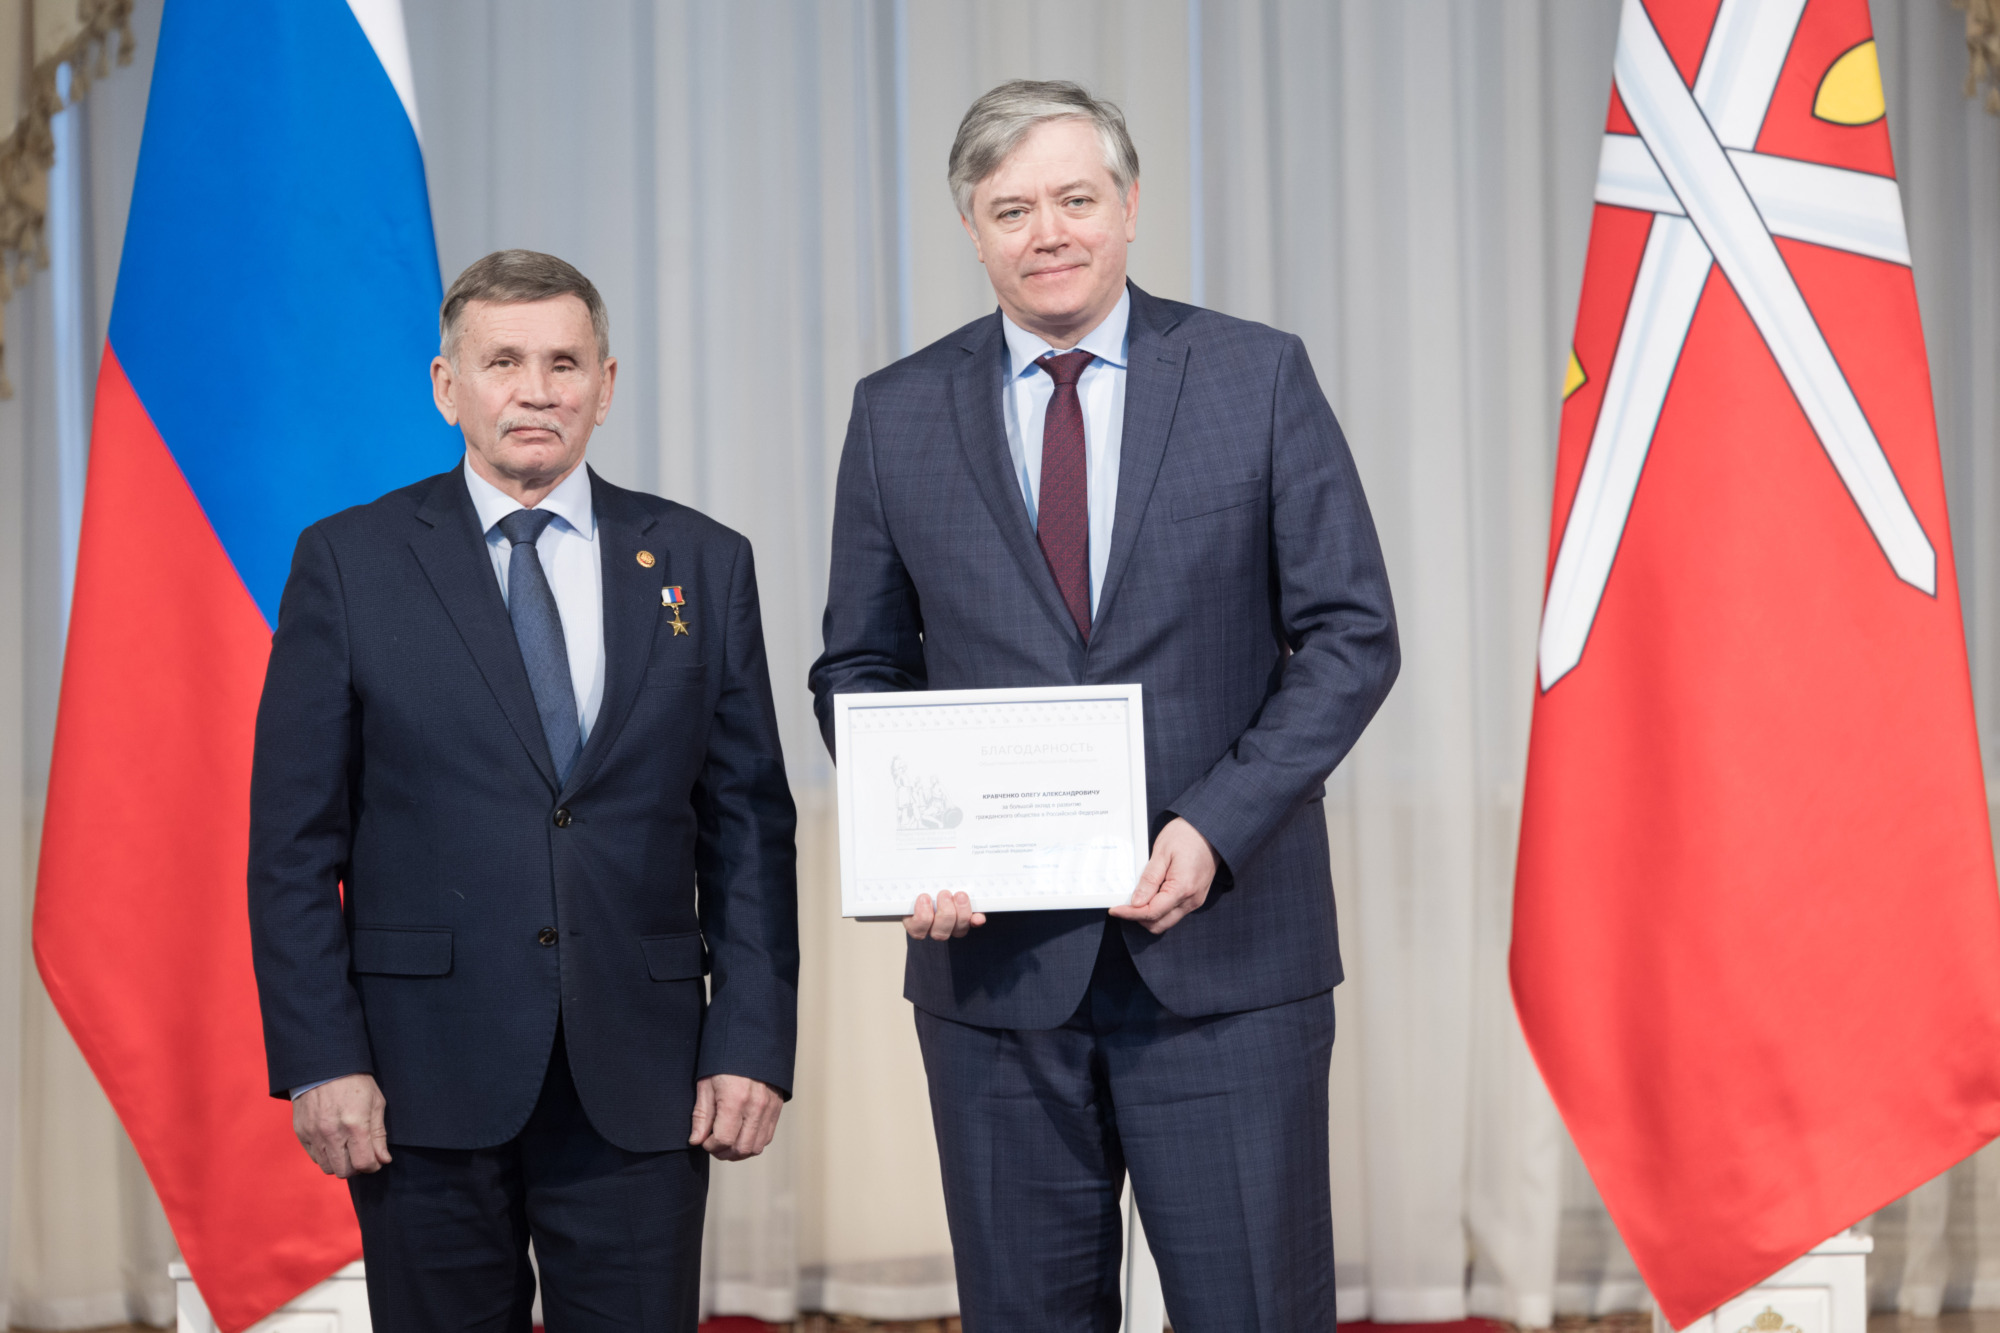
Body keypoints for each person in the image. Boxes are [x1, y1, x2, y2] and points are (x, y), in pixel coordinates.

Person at [809, 81, 1398, 1330]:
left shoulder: (1254, 375)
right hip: (995, 978)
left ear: (1128, 207)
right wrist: (916, 839)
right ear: (970, 229)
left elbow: (1351, 636)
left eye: (1074, 199)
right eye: (1010, 209)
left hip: (1226, 958)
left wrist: (1215, 824)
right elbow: (856, 666)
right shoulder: (895, 410)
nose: (1048, 233)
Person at [250, 250, 798, 1331]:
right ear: (447, 385)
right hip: (418, 1082)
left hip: (642, 1078)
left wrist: (749, 1041)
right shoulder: (349, 562)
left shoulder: (702, 560)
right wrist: (321, 1059)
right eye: (503, 361)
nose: (536, 389)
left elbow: (747, 829)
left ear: (605, 384)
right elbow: (294, 846)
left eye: (563, 362)